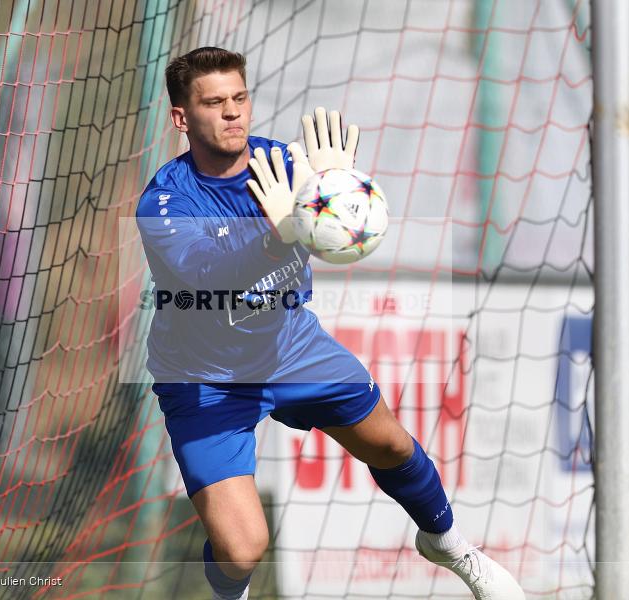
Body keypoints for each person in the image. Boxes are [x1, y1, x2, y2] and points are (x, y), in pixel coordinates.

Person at [136, 46, 525, 600]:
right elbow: (207, 277)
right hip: (205, 376)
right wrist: (280, 236)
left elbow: (349, 230)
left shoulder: (290, 167)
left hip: (291, 348)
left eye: (240, 98)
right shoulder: (166, 201)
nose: (232, 113)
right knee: (243, 547)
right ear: (182, 118)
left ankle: (449, 544)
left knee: (391, 445)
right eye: (214, 102)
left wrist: (339, 195)